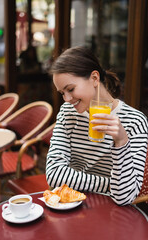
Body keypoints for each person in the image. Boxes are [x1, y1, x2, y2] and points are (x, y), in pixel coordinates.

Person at [46, 46, 148, 205]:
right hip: (72, 205)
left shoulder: (135, 121)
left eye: (70, 89)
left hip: (112, 212)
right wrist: (109, 184)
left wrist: (121, 142)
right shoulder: (68, 113)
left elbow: (124, 197)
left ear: (94, 78)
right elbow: (54, 175)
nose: (66, 99)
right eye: (62, 93)